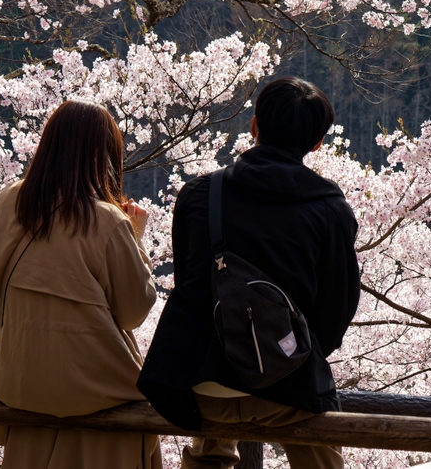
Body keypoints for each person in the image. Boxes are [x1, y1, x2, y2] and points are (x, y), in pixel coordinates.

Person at [138, 77, 360, 469]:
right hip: (284, 389)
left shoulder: (199, 195)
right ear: (317, 143)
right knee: (321, 449)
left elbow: (190, 283)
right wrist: (289, 355)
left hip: (200, 389)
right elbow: (336, 309)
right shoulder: (330, 210)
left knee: (211, 437)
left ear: (254, 126)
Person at [0, 101, 161, 469]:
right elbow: (132, 313)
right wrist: (137, 238)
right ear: (100, 155)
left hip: (19, 378)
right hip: (95, 385)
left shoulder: (9, 201)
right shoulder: (106, 220)